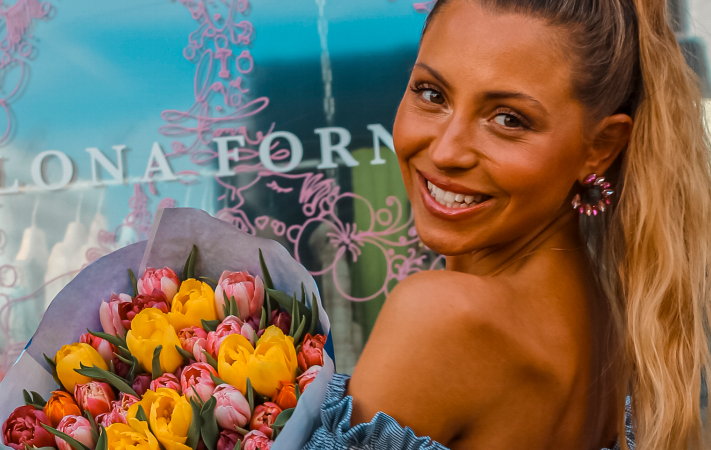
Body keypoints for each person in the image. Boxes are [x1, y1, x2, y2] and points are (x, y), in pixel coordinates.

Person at [302, 0, 711, 449]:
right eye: (432, 94)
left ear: (601, 147)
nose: (446, 152)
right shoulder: (613, 320)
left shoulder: (443, 317)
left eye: (508, 119)